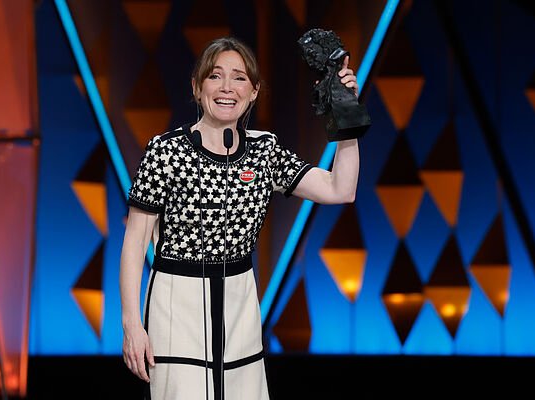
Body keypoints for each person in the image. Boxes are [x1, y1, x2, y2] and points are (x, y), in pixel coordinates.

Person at [119, 36, 360, 400]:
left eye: (239, 78)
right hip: (175, 304)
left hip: (239, 303)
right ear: (197, 87)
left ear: (254, 92)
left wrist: (346, 116)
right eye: (215, 76)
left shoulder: (264, 151)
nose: (227, 87)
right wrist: (131, 324)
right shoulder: (165, 151)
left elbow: (340, 189)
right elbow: (135, 242)